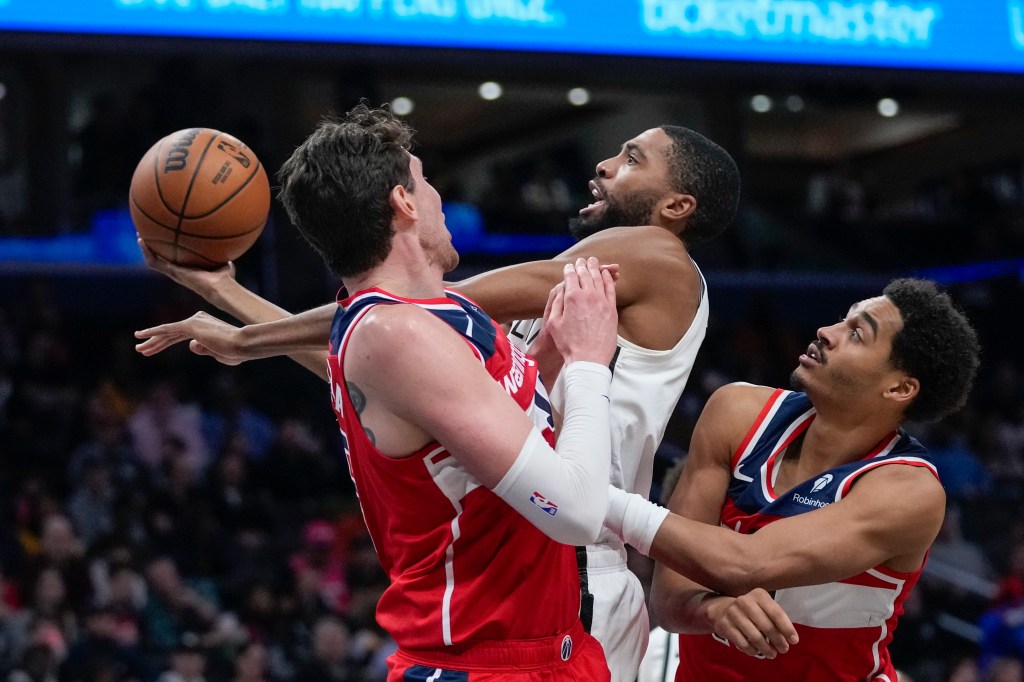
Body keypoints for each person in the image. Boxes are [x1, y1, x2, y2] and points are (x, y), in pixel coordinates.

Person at [139, 115, 740, 682]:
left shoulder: (658, 257)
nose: (604, 165)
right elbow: (389, 359)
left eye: (632, 158)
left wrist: (247, 336)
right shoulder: (426, 322)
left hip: (574, 569)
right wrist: (233, 302)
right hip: (534, 579)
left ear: (677, 206)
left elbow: (411, 305)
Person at [602, 278, 981, 681]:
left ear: (899, 388)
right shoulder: (737, 412)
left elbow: (745, 564)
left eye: (857, 333)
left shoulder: (908, 490)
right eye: (841, 320)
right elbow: (669, 597)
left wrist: (596, 498)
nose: (827, 332)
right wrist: (712, 610)